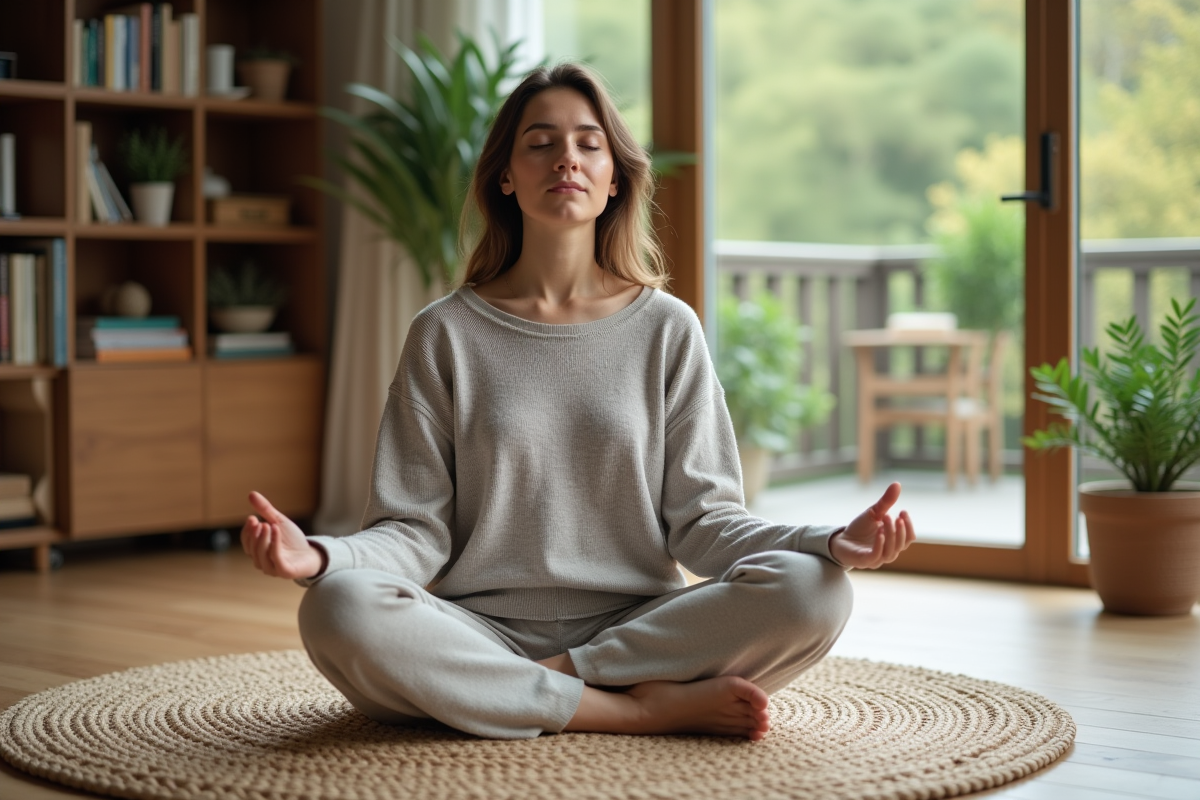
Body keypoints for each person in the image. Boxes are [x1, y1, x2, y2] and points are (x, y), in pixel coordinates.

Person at [241, 63, 915, 742]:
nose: (567, 157)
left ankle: (517, 692)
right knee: (337, 608)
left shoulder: (666, 328)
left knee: (815, 589)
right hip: (477, 627)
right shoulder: (444, 332)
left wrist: (829, 542)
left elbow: (706, 523)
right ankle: (634, 709)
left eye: (589, 143)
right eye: (540, 142)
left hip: (636, 629)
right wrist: (320, 558)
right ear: (505, 174)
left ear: (614, 177)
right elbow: (415, 532)